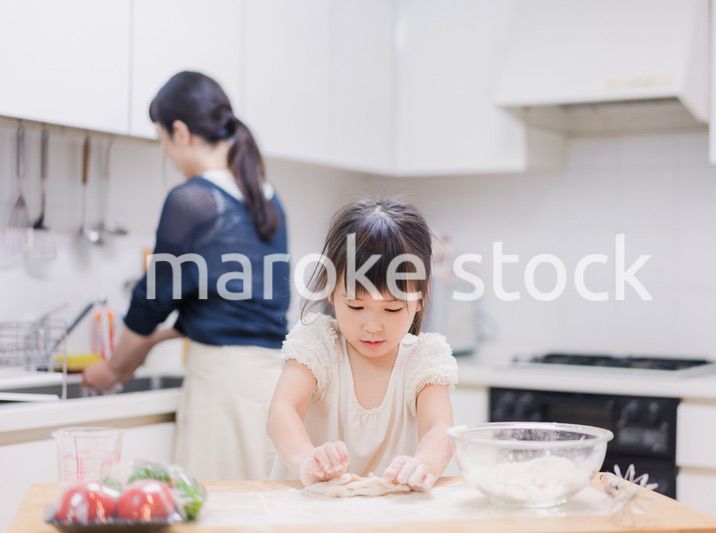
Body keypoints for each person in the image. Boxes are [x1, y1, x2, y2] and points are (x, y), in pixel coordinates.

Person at [82, 71, 290, 480]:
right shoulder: (268, 196)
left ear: (179, 132)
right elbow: (240, 305)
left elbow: (151, 301)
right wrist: (156, 341)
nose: (169, 157)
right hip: (273, 387)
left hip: (223, 390)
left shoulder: (193, 199)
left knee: (215, 517)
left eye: (162, 141)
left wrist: (112, 369)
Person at [268, 198, 458, 491]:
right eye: (356, 306)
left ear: (420, 298)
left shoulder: (424, 358)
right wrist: (306, 459)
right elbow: (284, 409)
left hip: (387, 516)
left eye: (392, 309)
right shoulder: (318, 343)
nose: (372, 326)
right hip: (310, 513)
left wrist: (424, 464)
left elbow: (440, 428)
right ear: (331, 291)